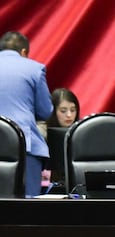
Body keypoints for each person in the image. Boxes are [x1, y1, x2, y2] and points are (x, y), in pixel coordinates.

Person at [0, 31, 53, 197]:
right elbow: (45, 111)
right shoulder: (34, 69)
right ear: (23, 52)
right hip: (25, 147)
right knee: (28, 209)